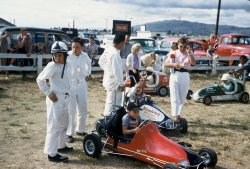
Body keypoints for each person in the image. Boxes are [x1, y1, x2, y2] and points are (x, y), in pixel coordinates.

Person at [36, 41, 73, 163]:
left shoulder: (67, 65)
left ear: (65, 55)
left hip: (65, 98)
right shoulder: (52, 65)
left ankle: (61, 145)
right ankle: (51, 154)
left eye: (60, 55)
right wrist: (49, 93)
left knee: (64, 124)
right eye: (55, 55)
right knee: (53, 126)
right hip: (55, 98)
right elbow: (40, 79)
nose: (57, 58)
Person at [66, 37, 92, 143]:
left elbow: (89, 65)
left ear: (81, 47)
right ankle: (69, 133)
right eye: (73, 47)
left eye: (77, 47)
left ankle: (80, 130)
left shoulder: (85, 56)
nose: (74, 49)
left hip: (81, 84)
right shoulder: (67, 56)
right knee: (71, 110)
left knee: (83, 108)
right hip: (70, 85)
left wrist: (87, 74)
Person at [164, 37, 196, 122]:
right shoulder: (173, 52)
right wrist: (174, 64)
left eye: (185, 47)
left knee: (182, 98)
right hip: (174, 74)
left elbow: (193, 63)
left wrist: (189, 53)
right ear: (178, 45)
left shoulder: (189, 52)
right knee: (175, 97)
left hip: (185, 74)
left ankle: (178, 114)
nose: (182, 48)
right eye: (181, 46)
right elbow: (165, 64)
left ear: (187, 46)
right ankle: (175, 115)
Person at [98, 33, 125, 116]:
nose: (123, 45)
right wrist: (121, 83)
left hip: (109, 80)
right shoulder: (115, 54)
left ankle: (107, 120)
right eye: (123, 43)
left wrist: (108, 71)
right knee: (114, 104)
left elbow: (101, 62)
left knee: (109, 102)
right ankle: (110, 122)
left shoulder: (108, 49)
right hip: (115, 83)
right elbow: (117, 71)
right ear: (121, 43)